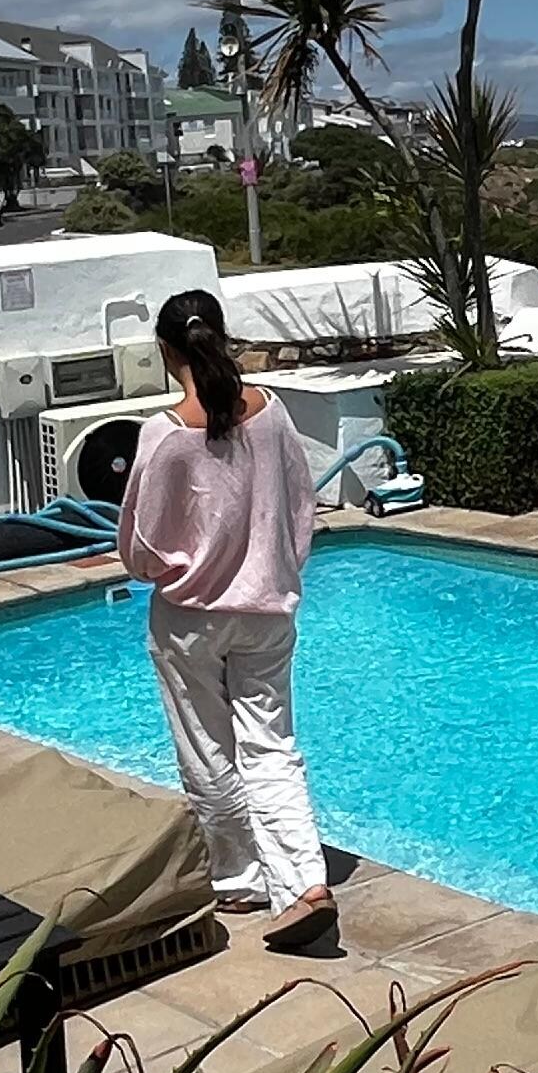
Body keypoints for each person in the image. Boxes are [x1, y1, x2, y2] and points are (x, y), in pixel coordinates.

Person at [115, 286, 331, 947]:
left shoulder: (164, 436)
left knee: (207, 749)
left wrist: (173, 570)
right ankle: (304, 883)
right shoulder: (272, 413)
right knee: (272, 746)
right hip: (266, 611)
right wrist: (277, 566)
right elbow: (301, 505)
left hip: (190, 618)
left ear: (165, 350)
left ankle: (240, 880)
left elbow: (141, 547)